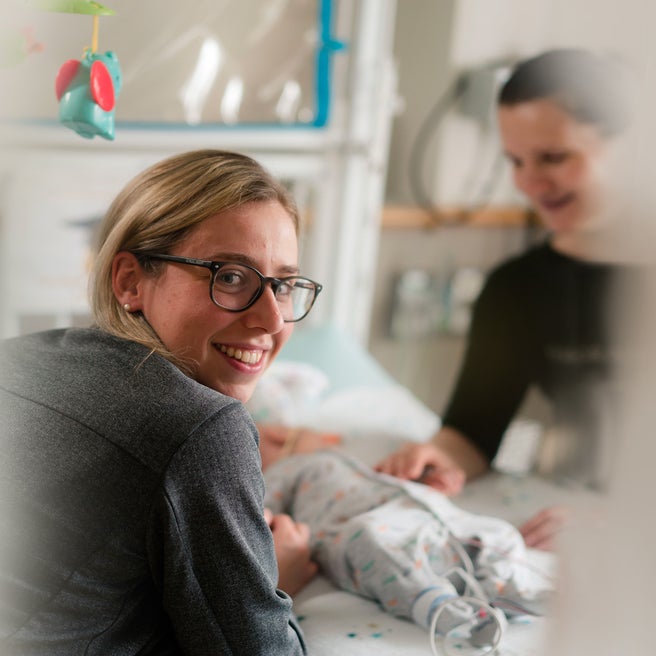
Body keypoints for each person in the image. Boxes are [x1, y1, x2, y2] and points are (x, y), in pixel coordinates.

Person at [0, 149, 324, 655]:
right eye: (230, 276)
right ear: (130, 280)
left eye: (281, 285)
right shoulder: (203, 429)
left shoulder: (21, 357)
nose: (272, 319)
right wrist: (275, 578)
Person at [376, 48, 639, 550]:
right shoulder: (517, 290)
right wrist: (436, 459)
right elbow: (474, 430)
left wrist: (622, 518)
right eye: (515, 161)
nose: (528, 183)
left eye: (553, 157)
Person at [261, 444, 552, 653]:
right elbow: (255, 510)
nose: (282, 436)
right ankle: (444, 608)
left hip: (428, 517)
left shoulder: (347, 452)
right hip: (361, 528)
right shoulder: (282, 468)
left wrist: (424, 480)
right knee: (369, 541)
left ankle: (505, 587)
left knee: (500, 532)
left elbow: (388, 477)